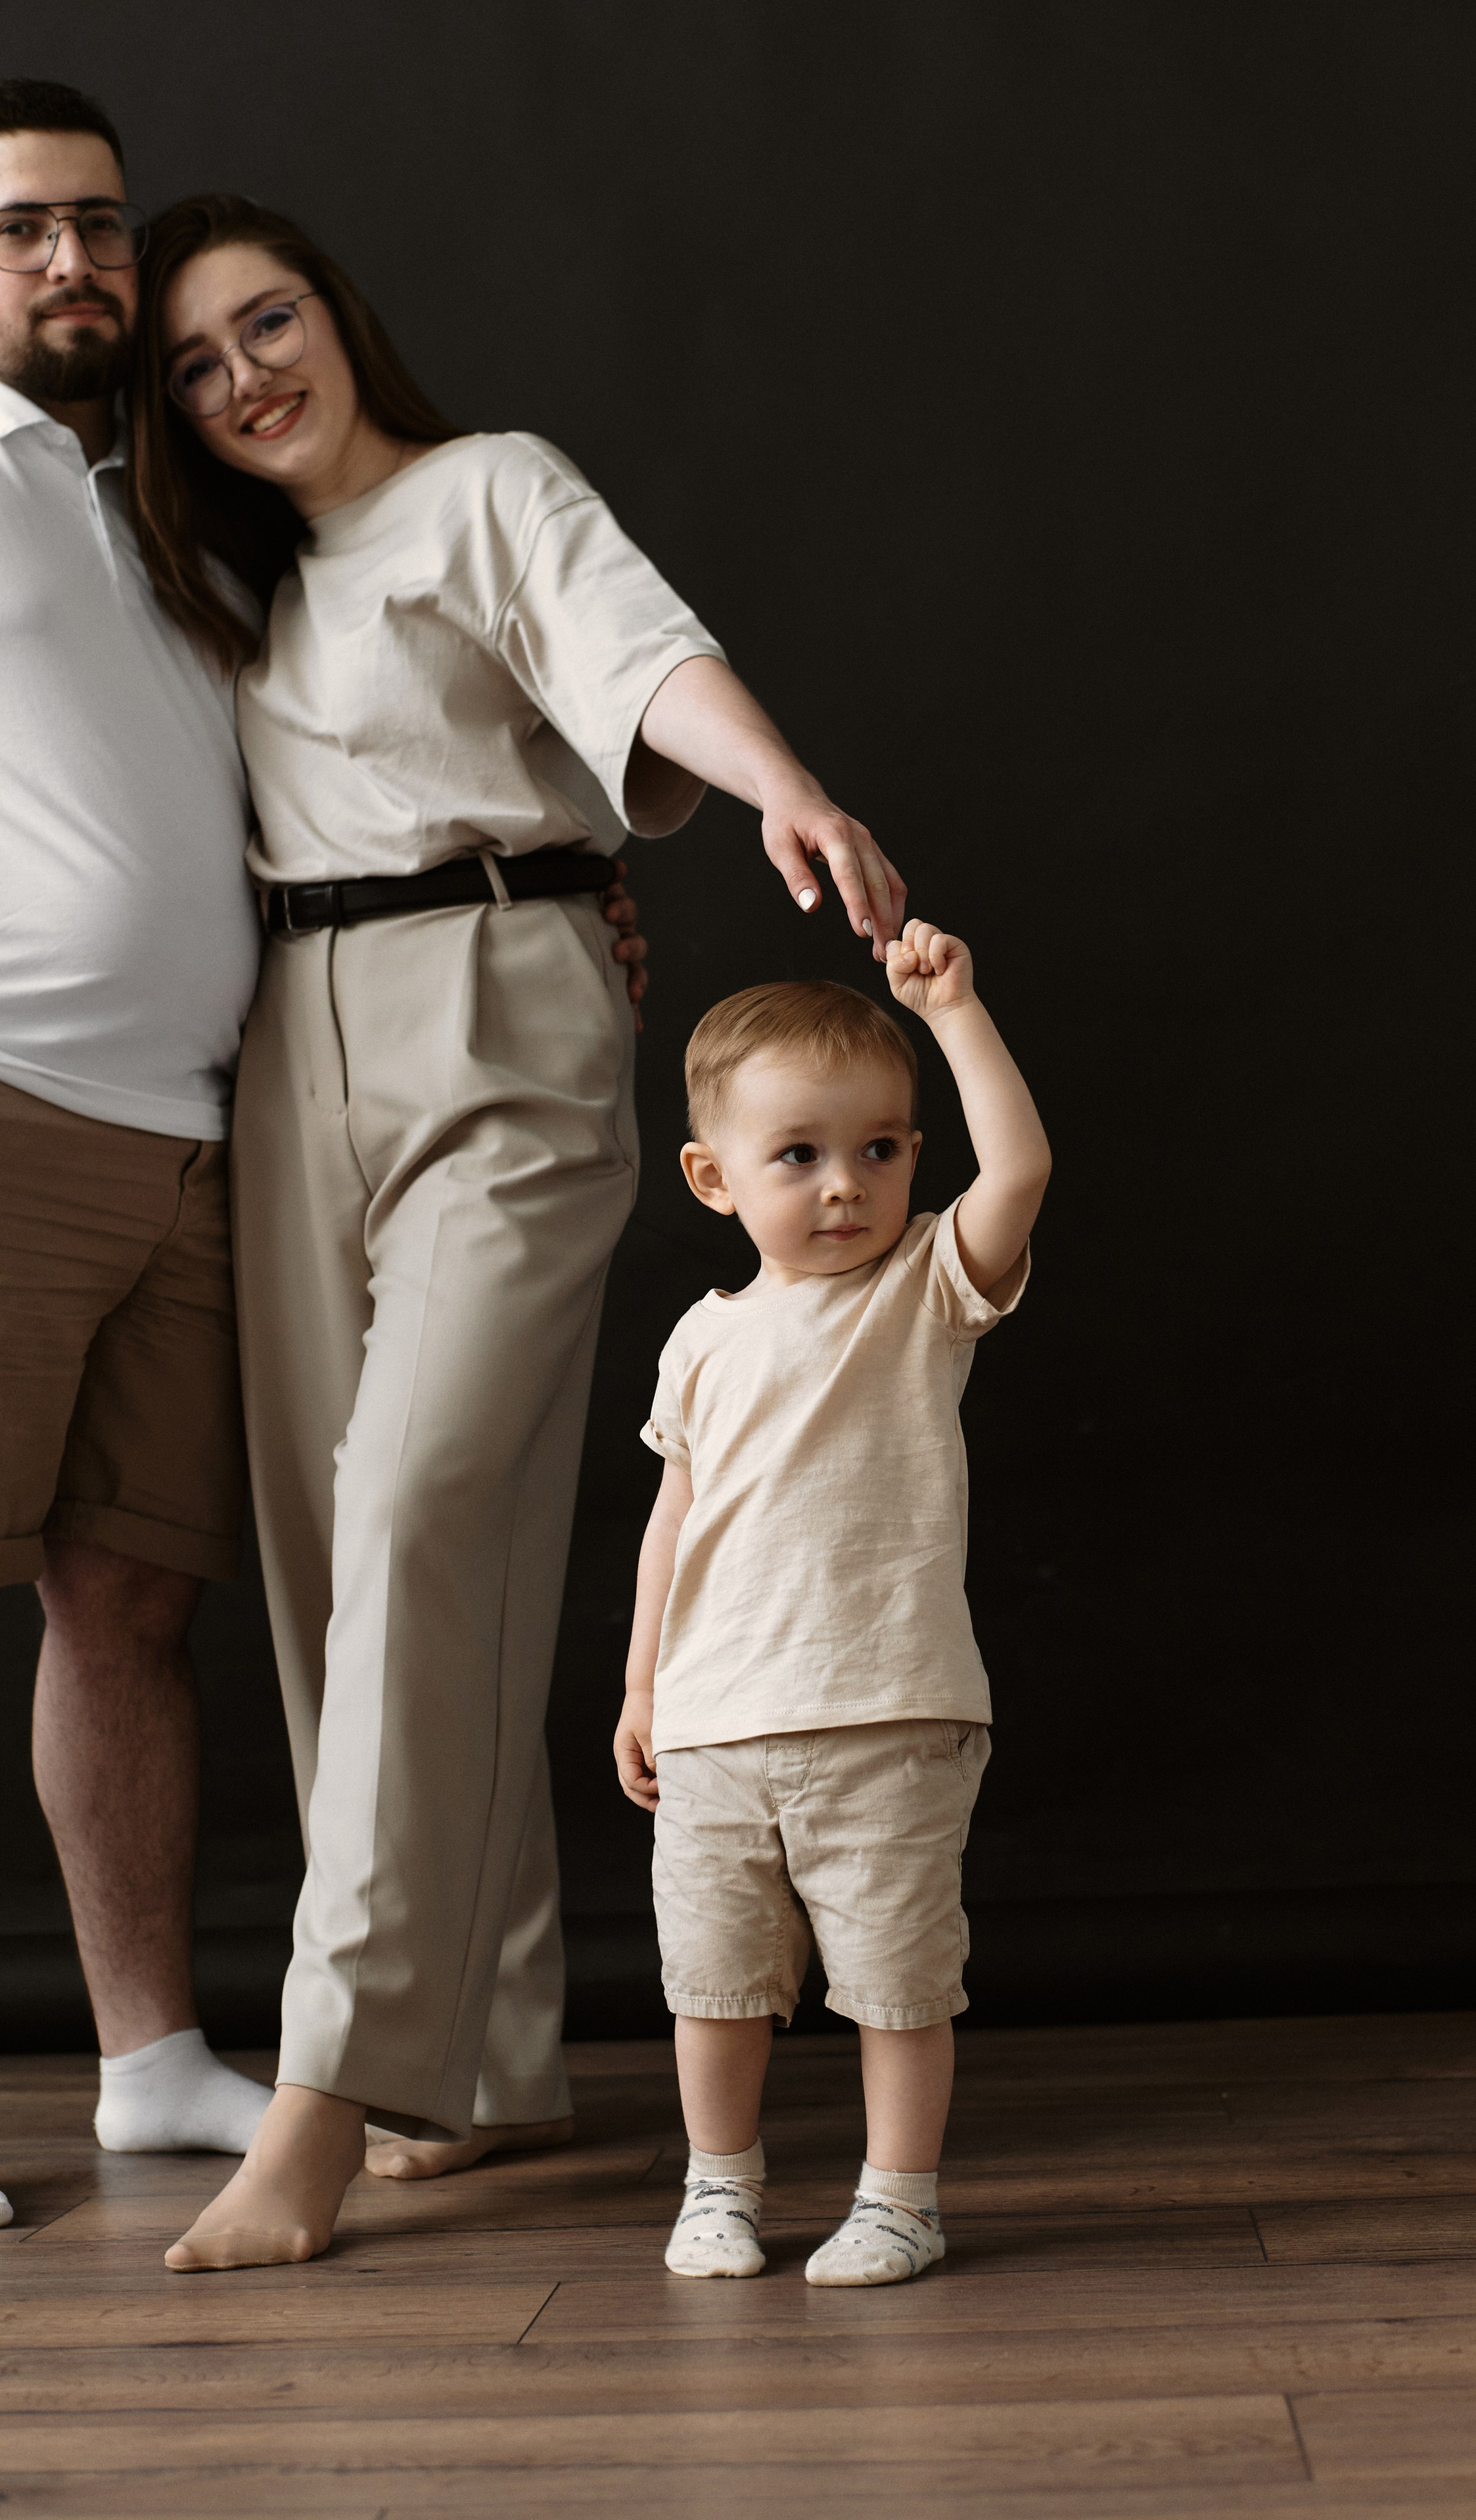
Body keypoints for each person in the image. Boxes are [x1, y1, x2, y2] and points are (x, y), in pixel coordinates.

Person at [129, 193, 906, 2272]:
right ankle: (465, 2055)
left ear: (338, 312)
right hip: (294, 1035)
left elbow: (632, 648)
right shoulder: (250, 597)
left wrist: (782, 788)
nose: (243, 379)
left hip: (501, 991)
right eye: (195, 368)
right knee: (331, 1554)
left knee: (411, 1512)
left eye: (265, 322)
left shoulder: (488, 490)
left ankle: (319, 2091)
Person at [614, 923, 1049, 2283]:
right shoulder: (701, 1338)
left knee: (897, 1984)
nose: (845, 1185)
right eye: (796, 1154)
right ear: (713, 1176)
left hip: (887, 1712)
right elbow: (672, 1519)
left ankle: (899, 2200)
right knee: (715, 1987)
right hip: (712, 1725)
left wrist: (955, 1011)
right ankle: (718, 2189)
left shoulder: (922, 1290)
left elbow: (1021, 1167)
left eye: (880, 1148)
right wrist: (640, 1688)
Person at [0, 78, 277, 2161]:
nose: (69, 262)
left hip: (195, 1135)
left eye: (92, 224)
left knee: (133, 1599)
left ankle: (147, 2059)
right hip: (13, 1108)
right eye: (15, 232)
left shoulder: (167, 493)